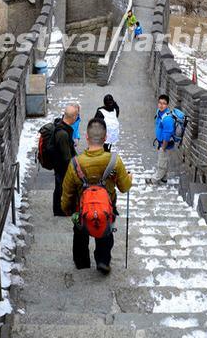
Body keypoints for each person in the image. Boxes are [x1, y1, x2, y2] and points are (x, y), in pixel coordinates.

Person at [61, 118, 132, 273]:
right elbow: (124, 187)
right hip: (106, 207)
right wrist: (129, 178)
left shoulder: (75, 163)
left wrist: (67, 210)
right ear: (105, 137)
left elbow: (67, 192)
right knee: (105, 232)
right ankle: (103, 260)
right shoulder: (114, 160)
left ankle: (82, 262)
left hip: (82, 209)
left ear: (87, 137)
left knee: (80, 235)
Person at [52, 105, 78, 216]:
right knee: (60, 187)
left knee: (60, 187)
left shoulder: (64, 129)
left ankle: (60, 208)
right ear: (73, 117)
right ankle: (59, 210)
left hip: (60, 165)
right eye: (76, 116)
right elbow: (66, 156)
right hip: (61, 166)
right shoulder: (62, 134)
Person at [146, 94, 176, 185]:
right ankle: (164, 178)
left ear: (167, 105)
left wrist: (163, 147)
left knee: (161, 163)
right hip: (161, 142)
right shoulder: (159, 112)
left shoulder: (167, 119)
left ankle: (154, 180)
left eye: (164, 103)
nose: (161, 105)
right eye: (160, 103)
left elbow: (167, 135)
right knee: (164, 161)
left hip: (165, 144)